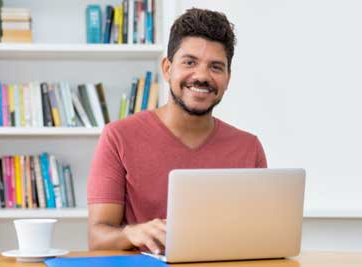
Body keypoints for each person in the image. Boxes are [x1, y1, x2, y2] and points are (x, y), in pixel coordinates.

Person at [87, 8, 267, 254]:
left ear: (228, 78)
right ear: (167, 68)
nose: (202, 76)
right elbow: (97, 237)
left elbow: (262, 236)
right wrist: (133, 232)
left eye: (215, 67)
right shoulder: (118, 136)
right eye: (190, 62)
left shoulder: (249, 148)